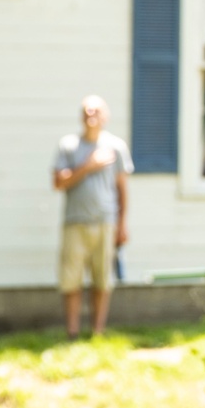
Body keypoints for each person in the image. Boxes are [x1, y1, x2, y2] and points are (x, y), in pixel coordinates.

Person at [53, 94, 133, 339]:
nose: (91, 116)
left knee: (102, 280)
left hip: (105, 222)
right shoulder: (68, 146)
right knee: (71, 280)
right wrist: (88, 166)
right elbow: (58, 182)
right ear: (81, 117)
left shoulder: (116, 147)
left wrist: (122, 224)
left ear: (105, 117)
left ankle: (98, 332)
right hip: (75, 221)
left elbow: (122, 189)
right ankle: (73, 332)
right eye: (87, 112)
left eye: (96, 111)